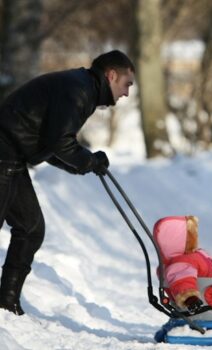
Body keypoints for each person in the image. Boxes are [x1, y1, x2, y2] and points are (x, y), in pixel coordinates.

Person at [0, 50, 135, 315]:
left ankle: (5, 304)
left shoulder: (81, 86)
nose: (127, 93)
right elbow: (60, 142)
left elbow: (52, 141)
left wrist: (82, 165)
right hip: (3, 153)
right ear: (111, 75)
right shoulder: (79, 90)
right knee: (28, 228)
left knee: (30, 228)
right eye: (126, 84)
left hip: (11, 158)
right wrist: (88, 161)